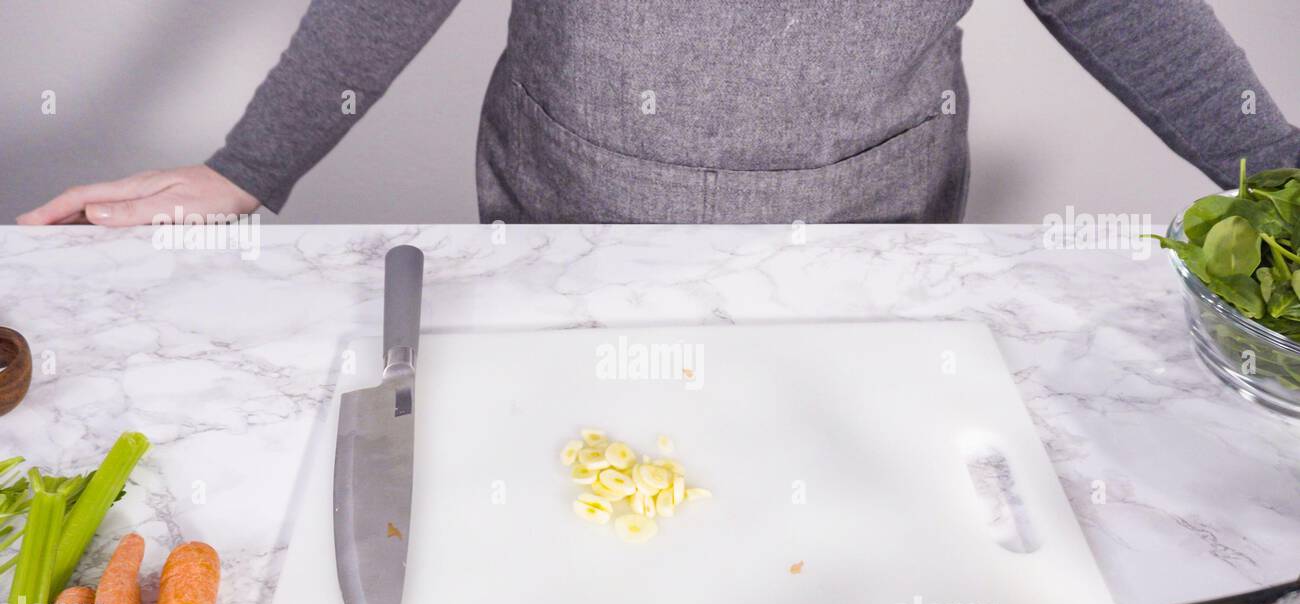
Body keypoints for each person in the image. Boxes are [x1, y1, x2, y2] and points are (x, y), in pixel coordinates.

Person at [17, 0, 1300, 226]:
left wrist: (1285, 176)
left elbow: (1124, 6)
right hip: (569, 208)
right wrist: (251, 166)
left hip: (862, 228)